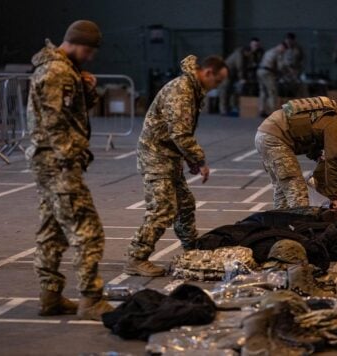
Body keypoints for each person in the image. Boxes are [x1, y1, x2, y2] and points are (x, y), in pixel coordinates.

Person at [26, 20, 112, 320]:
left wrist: (87, 89)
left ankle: (50, 297)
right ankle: (91, 299)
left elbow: (72, 110)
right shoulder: (57, 71)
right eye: (87, 50)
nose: (89, 56)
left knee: (52, 230)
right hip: (58, 164)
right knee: (89, 232)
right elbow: (53, 122)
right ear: (75, 43)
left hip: (50, 163)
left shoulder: (66, 69)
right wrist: (67, 159)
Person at [125, 55, 228, 277]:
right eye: (217, 81)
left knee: (185, 204)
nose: (216, 87)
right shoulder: (182, 90)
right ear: (208, 72)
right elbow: (179, 133)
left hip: (169, 154)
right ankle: (136, 257)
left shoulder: (192, 88)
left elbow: (179, 133)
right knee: (162, 208)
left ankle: (191, 249)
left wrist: (188, 159)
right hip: (155, 155)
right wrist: (199, 160)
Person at [255, 97, 337, 209]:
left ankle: (281, 224)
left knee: (283, 190)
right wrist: (333, 196)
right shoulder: (335, 122)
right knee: (298, 192)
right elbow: (334, 159)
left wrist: (317, 156)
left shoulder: (327, 112)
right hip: (275, 139)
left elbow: (308, 131)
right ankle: (301, 225)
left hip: (264, 134)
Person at [218, 39, 262, 115]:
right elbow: (240, 67)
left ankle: (229, 108)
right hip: (225, 73)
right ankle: (223, 110)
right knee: (224, 90)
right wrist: (242, 78)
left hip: (231, 74)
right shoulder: (240, 54)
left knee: (231, 91)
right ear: (246, 52)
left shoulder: (247, 55)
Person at [257, 43, 286, 117]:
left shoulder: (269, 51)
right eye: (284, 49)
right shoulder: (278, 53)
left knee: (263, 91)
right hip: (267, 72)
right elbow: (280, 66)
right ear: (281, 47)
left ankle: (261, 110)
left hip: (260, 71)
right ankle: (273, 112)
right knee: (272, 92)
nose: (283, 51)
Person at [280, 32, 307, 98]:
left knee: (300, 86)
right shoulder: (282, 48)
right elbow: (279, 61)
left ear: (294, 40)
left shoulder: (298, 48)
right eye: (287, 40)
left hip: (296, 71)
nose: (288, 41)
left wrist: (298, 70)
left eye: (290, 40)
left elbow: (303, 60)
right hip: (285, 72)